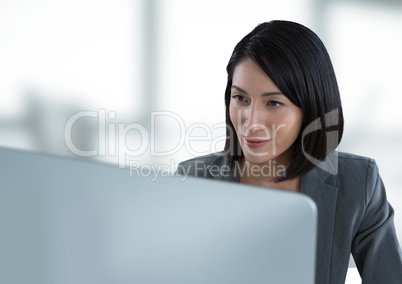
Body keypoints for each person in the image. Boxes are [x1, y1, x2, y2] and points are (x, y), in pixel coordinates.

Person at [176, 20, 402, 283]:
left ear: (311, 107)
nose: (252, 121)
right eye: (240, 98)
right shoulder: (193, 179)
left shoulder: (359, 183)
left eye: (273, 102)